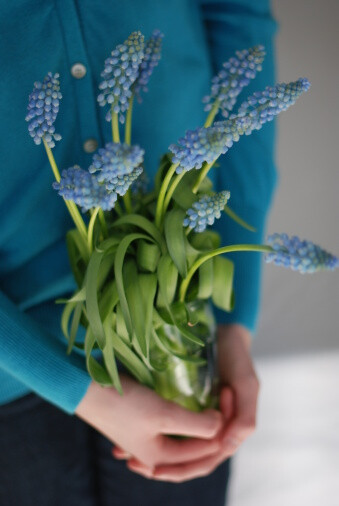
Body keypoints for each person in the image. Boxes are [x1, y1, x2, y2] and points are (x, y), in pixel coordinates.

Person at [0, 0, 277, 504]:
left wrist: (234, 325)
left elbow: (238, 20)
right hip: (13, 369)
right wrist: (80, 392)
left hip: (183, 329)